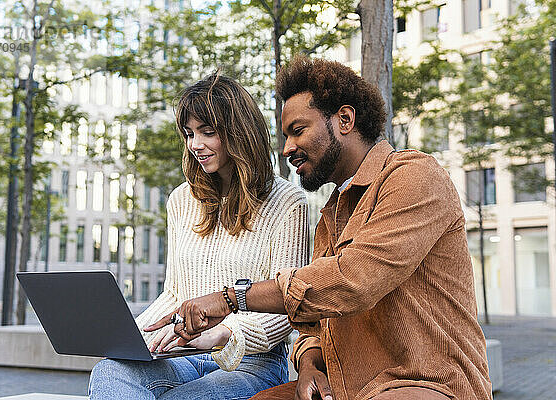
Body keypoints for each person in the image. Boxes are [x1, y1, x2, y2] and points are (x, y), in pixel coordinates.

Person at [150, 56, 493, 400]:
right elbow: (312, 324)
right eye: (285, 136)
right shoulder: (331, 214)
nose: (287, 149)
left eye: (298, 131)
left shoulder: (414, 176)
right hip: (347, 387)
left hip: (425, 385)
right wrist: (310, 365)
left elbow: (353, 280)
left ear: (344, 119)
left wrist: (232, 298)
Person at [88, 72, 310, 399]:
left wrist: (224, 333)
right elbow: (176, 293)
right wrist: (131, 336)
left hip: (253, 362)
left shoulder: (288, 203)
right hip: (186, 353)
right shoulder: (181, 200)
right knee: (110, 371)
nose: (195, 145)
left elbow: (288, 308)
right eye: (190, 134)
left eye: (207, 132)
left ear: (238, 134)